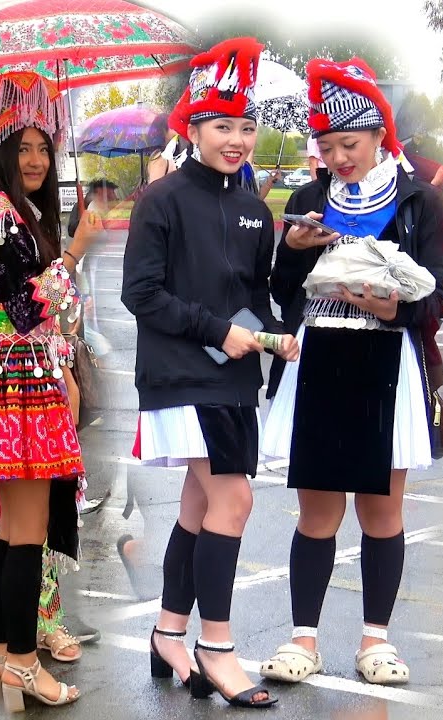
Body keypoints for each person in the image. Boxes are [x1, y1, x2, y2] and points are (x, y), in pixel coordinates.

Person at [260, 57, 443, 687]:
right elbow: (282, 288)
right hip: (319, 357)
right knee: (317, 512)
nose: (338, 157)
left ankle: (376, 640)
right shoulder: (308, 199)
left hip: (387, 360)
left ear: (379, 135)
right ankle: (303, 639)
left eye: (349, 143)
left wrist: (397, 306)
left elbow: (437, 289)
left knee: (381, 509)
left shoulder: (418, 198)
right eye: (326, 145)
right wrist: (289, 252)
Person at [122, 38, 294, 709]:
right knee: (234, 500)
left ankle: (169, 632)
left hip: (232, 378)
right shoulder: (160, 200)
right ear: (193, 129)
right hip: (178, 374)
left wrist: (276, 336)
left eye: (247, 127)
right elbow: (143, 293)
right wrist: (216, 330)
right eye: (223, 126)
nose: (238, 139)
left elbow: (254, 294)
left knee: (201, 506)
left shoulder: (255, 208)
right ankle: (216, 646)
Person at [0, 73, 103, 709]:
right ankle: (26, 665)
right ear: (0, 151)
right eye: (23, 147)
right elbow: (24, 308)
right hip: (18, 383)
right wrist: (76, 254)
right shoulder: (3, 218)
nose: (35, 159)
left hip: (9, 377)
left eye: (43, 147)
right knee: (25, 534)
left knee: (10, 534)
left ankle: (4, 657)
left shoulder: (8, 215)